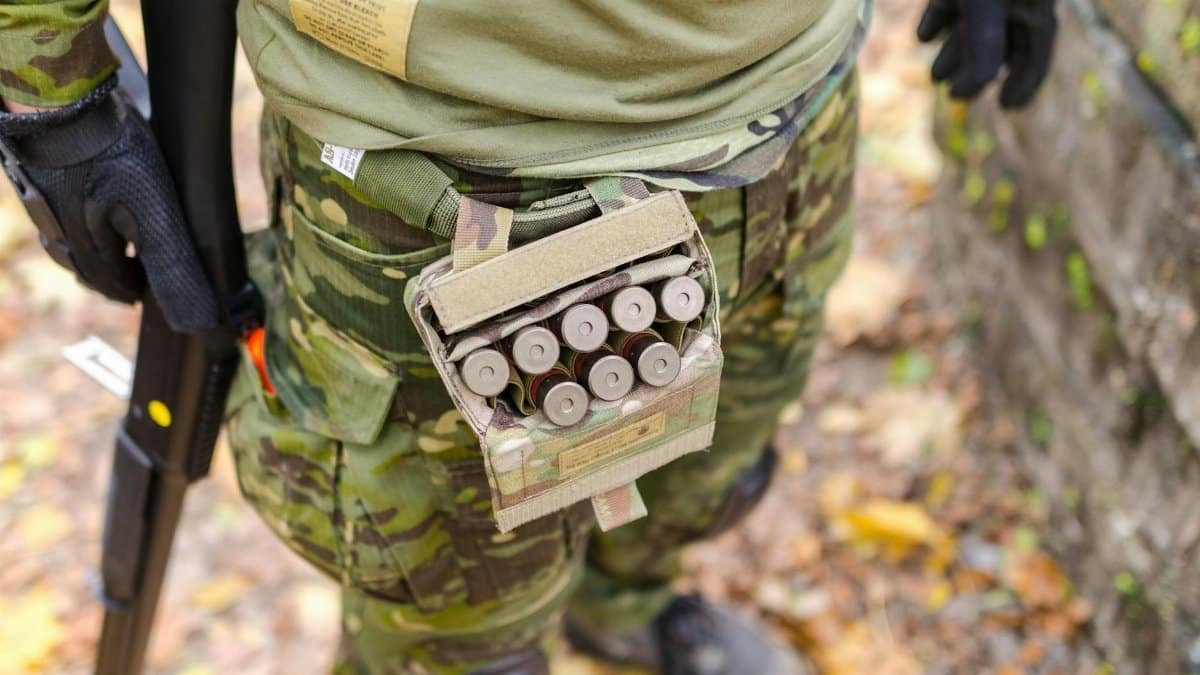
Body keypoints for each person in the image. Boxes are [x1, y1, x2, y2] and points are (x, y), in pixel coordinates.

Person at [0, 1, 1056, 672]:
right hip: (450, 172)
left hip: (792, 100)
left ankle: (623, 604)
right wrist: (51, 83)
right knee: (452, 624)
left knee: (712, 472)